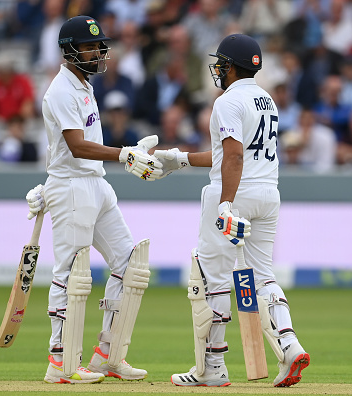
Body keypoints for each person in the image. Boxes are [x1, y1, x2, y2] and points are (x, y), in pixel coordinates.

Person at [154, 34, 310, 387]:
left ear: (233, 66)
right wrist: (180, 159)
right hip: (268, 194)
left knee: (212, 281)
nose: (218, 69)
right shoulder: (266, 99)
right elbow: (230, 153)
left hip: (234, 194)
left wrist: (225, 202)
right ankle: (289, 345)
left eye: (222, 63)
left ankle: (212, 369)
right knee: (262, 275)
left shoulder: (227, 101)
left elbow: (235, 156)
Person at [23, 15, 163, 385]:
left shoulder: (83, 85)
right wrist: (124, 155)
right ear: (69, 50)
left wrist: (125, 154)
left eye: (100, 45)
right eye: (90, 46)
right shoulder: (60, 90)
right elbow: (75, 145)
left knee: (130, 263)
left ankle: (108, 354)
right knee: (70, 273)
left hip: (95, 184)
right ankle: (61, 363)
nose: (99, 52)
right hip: (72, 186)